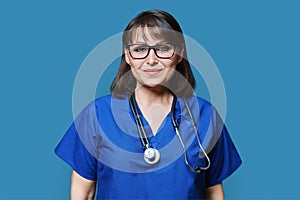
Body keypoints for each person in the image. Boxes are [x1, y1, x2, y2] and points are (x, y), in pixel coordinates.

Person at [55, 9, 242, 199]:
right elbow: (83, 192)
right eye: (139, 49)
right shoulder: (96, 115)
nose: (151, 60)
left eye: (162, 49)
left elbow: (213, 191)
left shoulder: (205, 116)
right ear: (127, 57)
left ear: (179, 54)